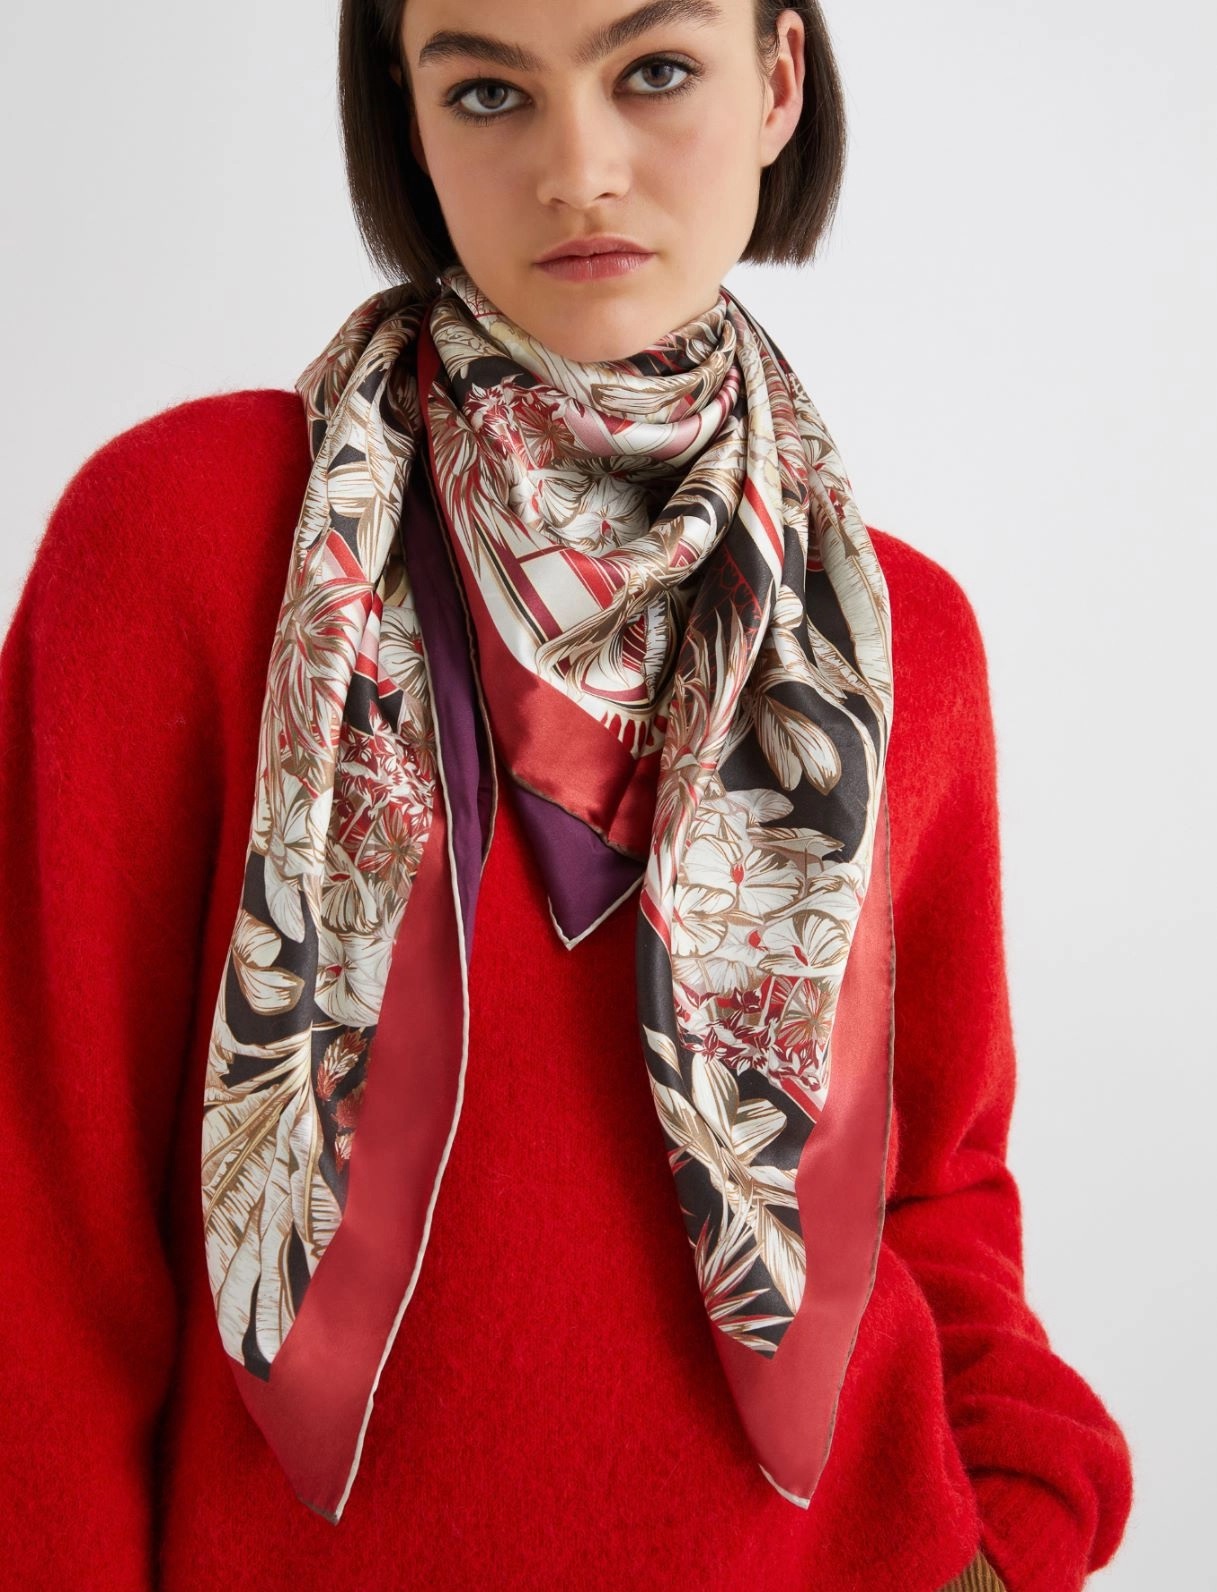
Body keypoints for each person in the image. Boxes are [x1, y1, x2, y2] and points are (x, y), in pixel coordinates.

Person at [0, 0, 1134, 1587]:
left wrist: (1010, 1520)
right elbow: (41, 1208)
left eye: (653, 71)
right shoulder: (192, 540)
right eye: (487, 91)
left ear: (777, 81)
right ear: (407, 117)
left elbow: (936, 1188)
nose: (577, 168)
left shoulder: (899, 639)